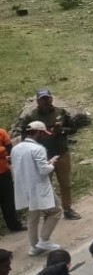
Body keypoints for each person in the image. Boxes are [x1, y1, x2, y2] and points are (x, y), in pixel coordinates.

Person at [15, 90, 81, 221]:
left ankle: (67, 209)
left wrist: (61, 130)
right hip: (42, 156)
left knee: (65, 183)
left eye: (47, 98)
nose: (46, 101)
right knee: (45, 186)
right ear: (37, 101)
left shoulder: (61, 113)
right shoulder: (30, 117)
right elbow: (25, 137)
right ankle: (49, 211)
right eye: (42, 99)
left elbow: (73, 129)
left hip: (61, 153)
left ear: (51, 99)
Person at [13, 121, 62, 256]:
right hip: (39, 187)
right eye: (43, 133)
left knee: (33, 217)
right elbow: (43, 170)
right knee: (56, 211)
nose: (44, 136)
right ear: (38, 133)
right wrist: (51, 164)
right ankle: (44, 240)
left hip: (24, 188)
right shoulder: (38, 149)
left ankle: (35, 247)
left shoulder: (16, 148)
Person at [0, 127, 25, 232]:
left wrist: (5, 153)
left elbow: (10, 149)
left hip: (4, 172)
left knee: (8, 200)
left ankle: (14, 225)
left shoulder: (1, 132)